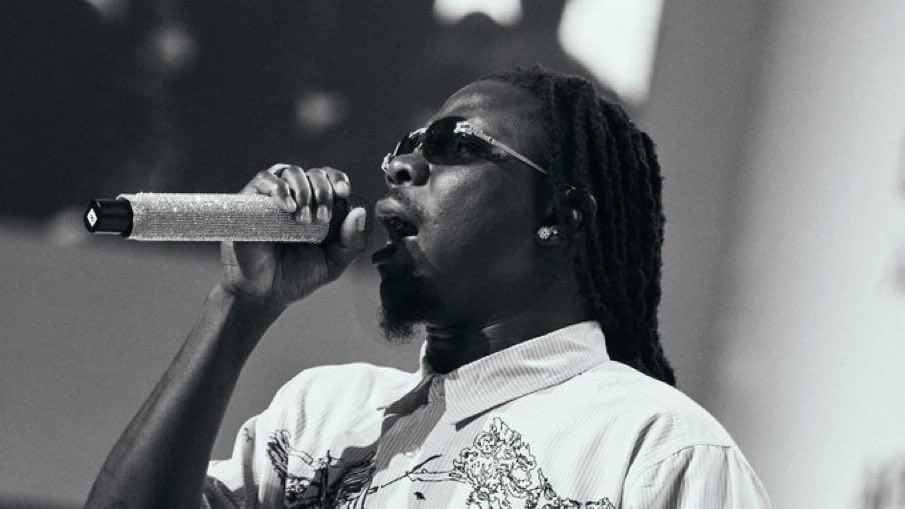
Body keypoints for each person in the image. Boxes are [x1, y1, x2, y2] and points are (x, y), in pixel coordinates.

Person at [85, 66, 770, 508]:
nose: (402, 167)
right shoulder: (321, 418)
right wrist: (240, 306)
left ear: (560, 215)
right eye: (406, 148)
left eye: (454, 146)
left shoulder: (655, 448)